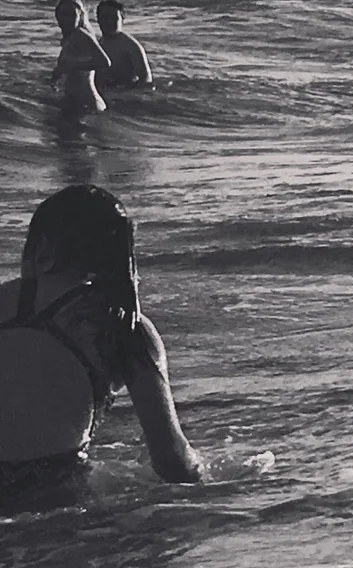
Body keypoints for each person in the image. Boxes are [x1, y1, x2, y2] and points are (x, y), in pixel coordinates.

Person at [0, 185, 203, 491]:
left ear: (41, 245)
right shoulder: (123, 328)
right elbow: (172, 463)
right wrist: (214, 474)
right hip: (53, 495)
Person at [50, 0, 112, 113]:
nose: (67, 19)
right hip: (76, 101)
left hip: (88, 103)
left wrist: (71, 66)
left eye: (72, 15)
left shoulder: (80, 35)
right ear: (57, 17)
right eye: (63, 14)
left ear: (80, 17)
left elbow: (104, 61)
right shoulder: (69, 39)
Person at [95, 0, 154, 89]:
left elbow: (146, 79)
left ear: (122, 20)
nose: (110, 21)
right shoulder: (97, 44)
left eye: (114, 17)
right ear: (98, 20)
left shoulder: (130, 46)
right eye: (105, 17)